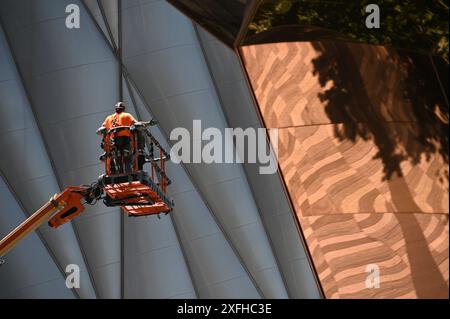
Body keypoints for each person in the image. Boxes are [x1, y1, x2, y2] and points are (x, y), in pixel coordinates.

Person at [101, 102, 137, 173]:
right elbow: (135, 123)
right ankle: (128, 175)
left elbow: (102, 128)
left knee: (117, 158)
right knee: (127, 159)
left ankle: (119, 174)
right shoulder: (127, 115)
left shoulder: (109, 118)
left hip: (113, 141)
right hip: (125, 139)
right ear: (123, 109)